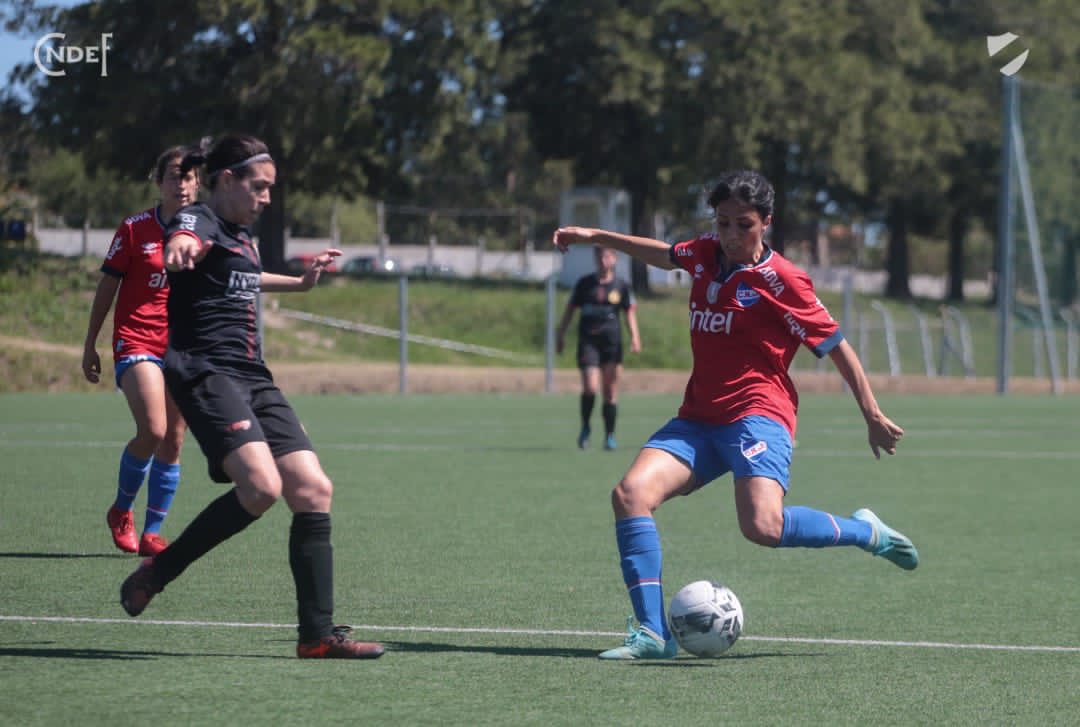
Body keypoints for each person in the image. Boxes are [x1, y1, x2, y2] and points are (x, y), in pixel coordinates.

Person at [552, 170, 918, 661]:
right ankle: (652, 634)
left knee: (762, 527)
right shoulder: (704, 253)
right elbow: (661, 254)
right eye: (721, 222)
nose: (728, 235)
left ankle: (865, 531)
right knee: (630, 494)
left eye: (741, 225)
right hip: (699, 418)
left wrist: (871, 413)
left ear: (765, 223)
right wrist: (594, 236)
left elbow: (837, 346)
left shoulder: (783, 280)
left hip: (758, 415)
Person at [119, 133, 384, 659]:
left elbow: (242, 276)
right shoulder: (202, 220)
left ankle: (316, 637)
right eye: (259, 187)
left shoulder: (240, 235)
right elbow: (187, 236)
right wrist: (179, 247)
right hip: (204, 371)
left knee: (313, 488)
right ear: (226, 180)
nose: (267, 198)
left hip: (253, 376)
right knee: (261, 487)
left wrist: (301, 284)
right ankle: (160, 570)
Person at [83, 145, 200, 557]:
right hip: (136, 340)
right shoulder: (134, 229)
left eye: (188, 177)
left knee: (174, 439)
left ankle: (153, 532)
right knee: (153, 429)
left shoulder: (205, 231)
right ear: (158, 182)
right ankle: (121, 510)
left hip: (182, 346)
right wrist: (90, 342)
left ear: (197, 183)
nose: (181, 184)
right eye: (173, 176)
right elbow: (108, 286)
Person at [555, 246, 641, 451]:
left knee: (610, 392)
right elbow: (569, 310)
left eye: (608, 255)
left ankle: (609, 435)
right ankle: (585, 427)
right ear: (595, 258)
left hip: (612, 343)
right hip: (588, 342)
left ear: (615, 259)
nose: (604, 260)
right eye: (600, 256)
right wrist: (561, 334)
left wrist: (635, 337)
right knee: (590, 388)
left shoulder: (621, 285)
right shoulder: (585, 284)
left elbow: (629, 313)